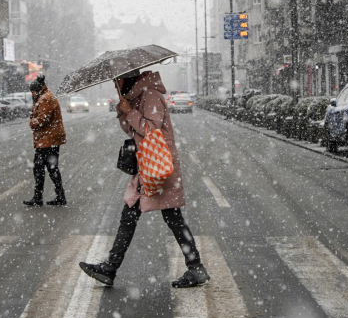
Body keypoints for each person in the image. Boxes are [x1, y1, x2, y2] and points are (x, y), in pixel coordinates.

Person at [79, 70, 209, 288]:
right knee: (136, 214)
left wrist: (130, 112)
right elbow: (130, 129)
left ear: (128, 78)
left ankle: (195, 268)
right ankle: (112, 267)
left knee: (169, 217)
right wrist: (123, 112)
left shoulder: (150, 95)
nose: (115, 83)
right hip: (146, 164)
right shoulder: (138, 97)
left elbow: (151, 130)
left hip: (159, 165)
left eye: (116, 79)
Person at [23, 74, 68, 206]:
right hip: (49, 138)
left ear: (36, 90)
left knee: (40, 167)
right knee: (49, 167)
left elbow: (42, 119)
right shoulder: (44, 97)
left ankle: (39, 197)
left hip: (48, 138)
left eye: (32, 92)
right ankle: (58, 195)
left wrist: (31, 122)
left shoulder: (45, 99)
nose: (32, 94)